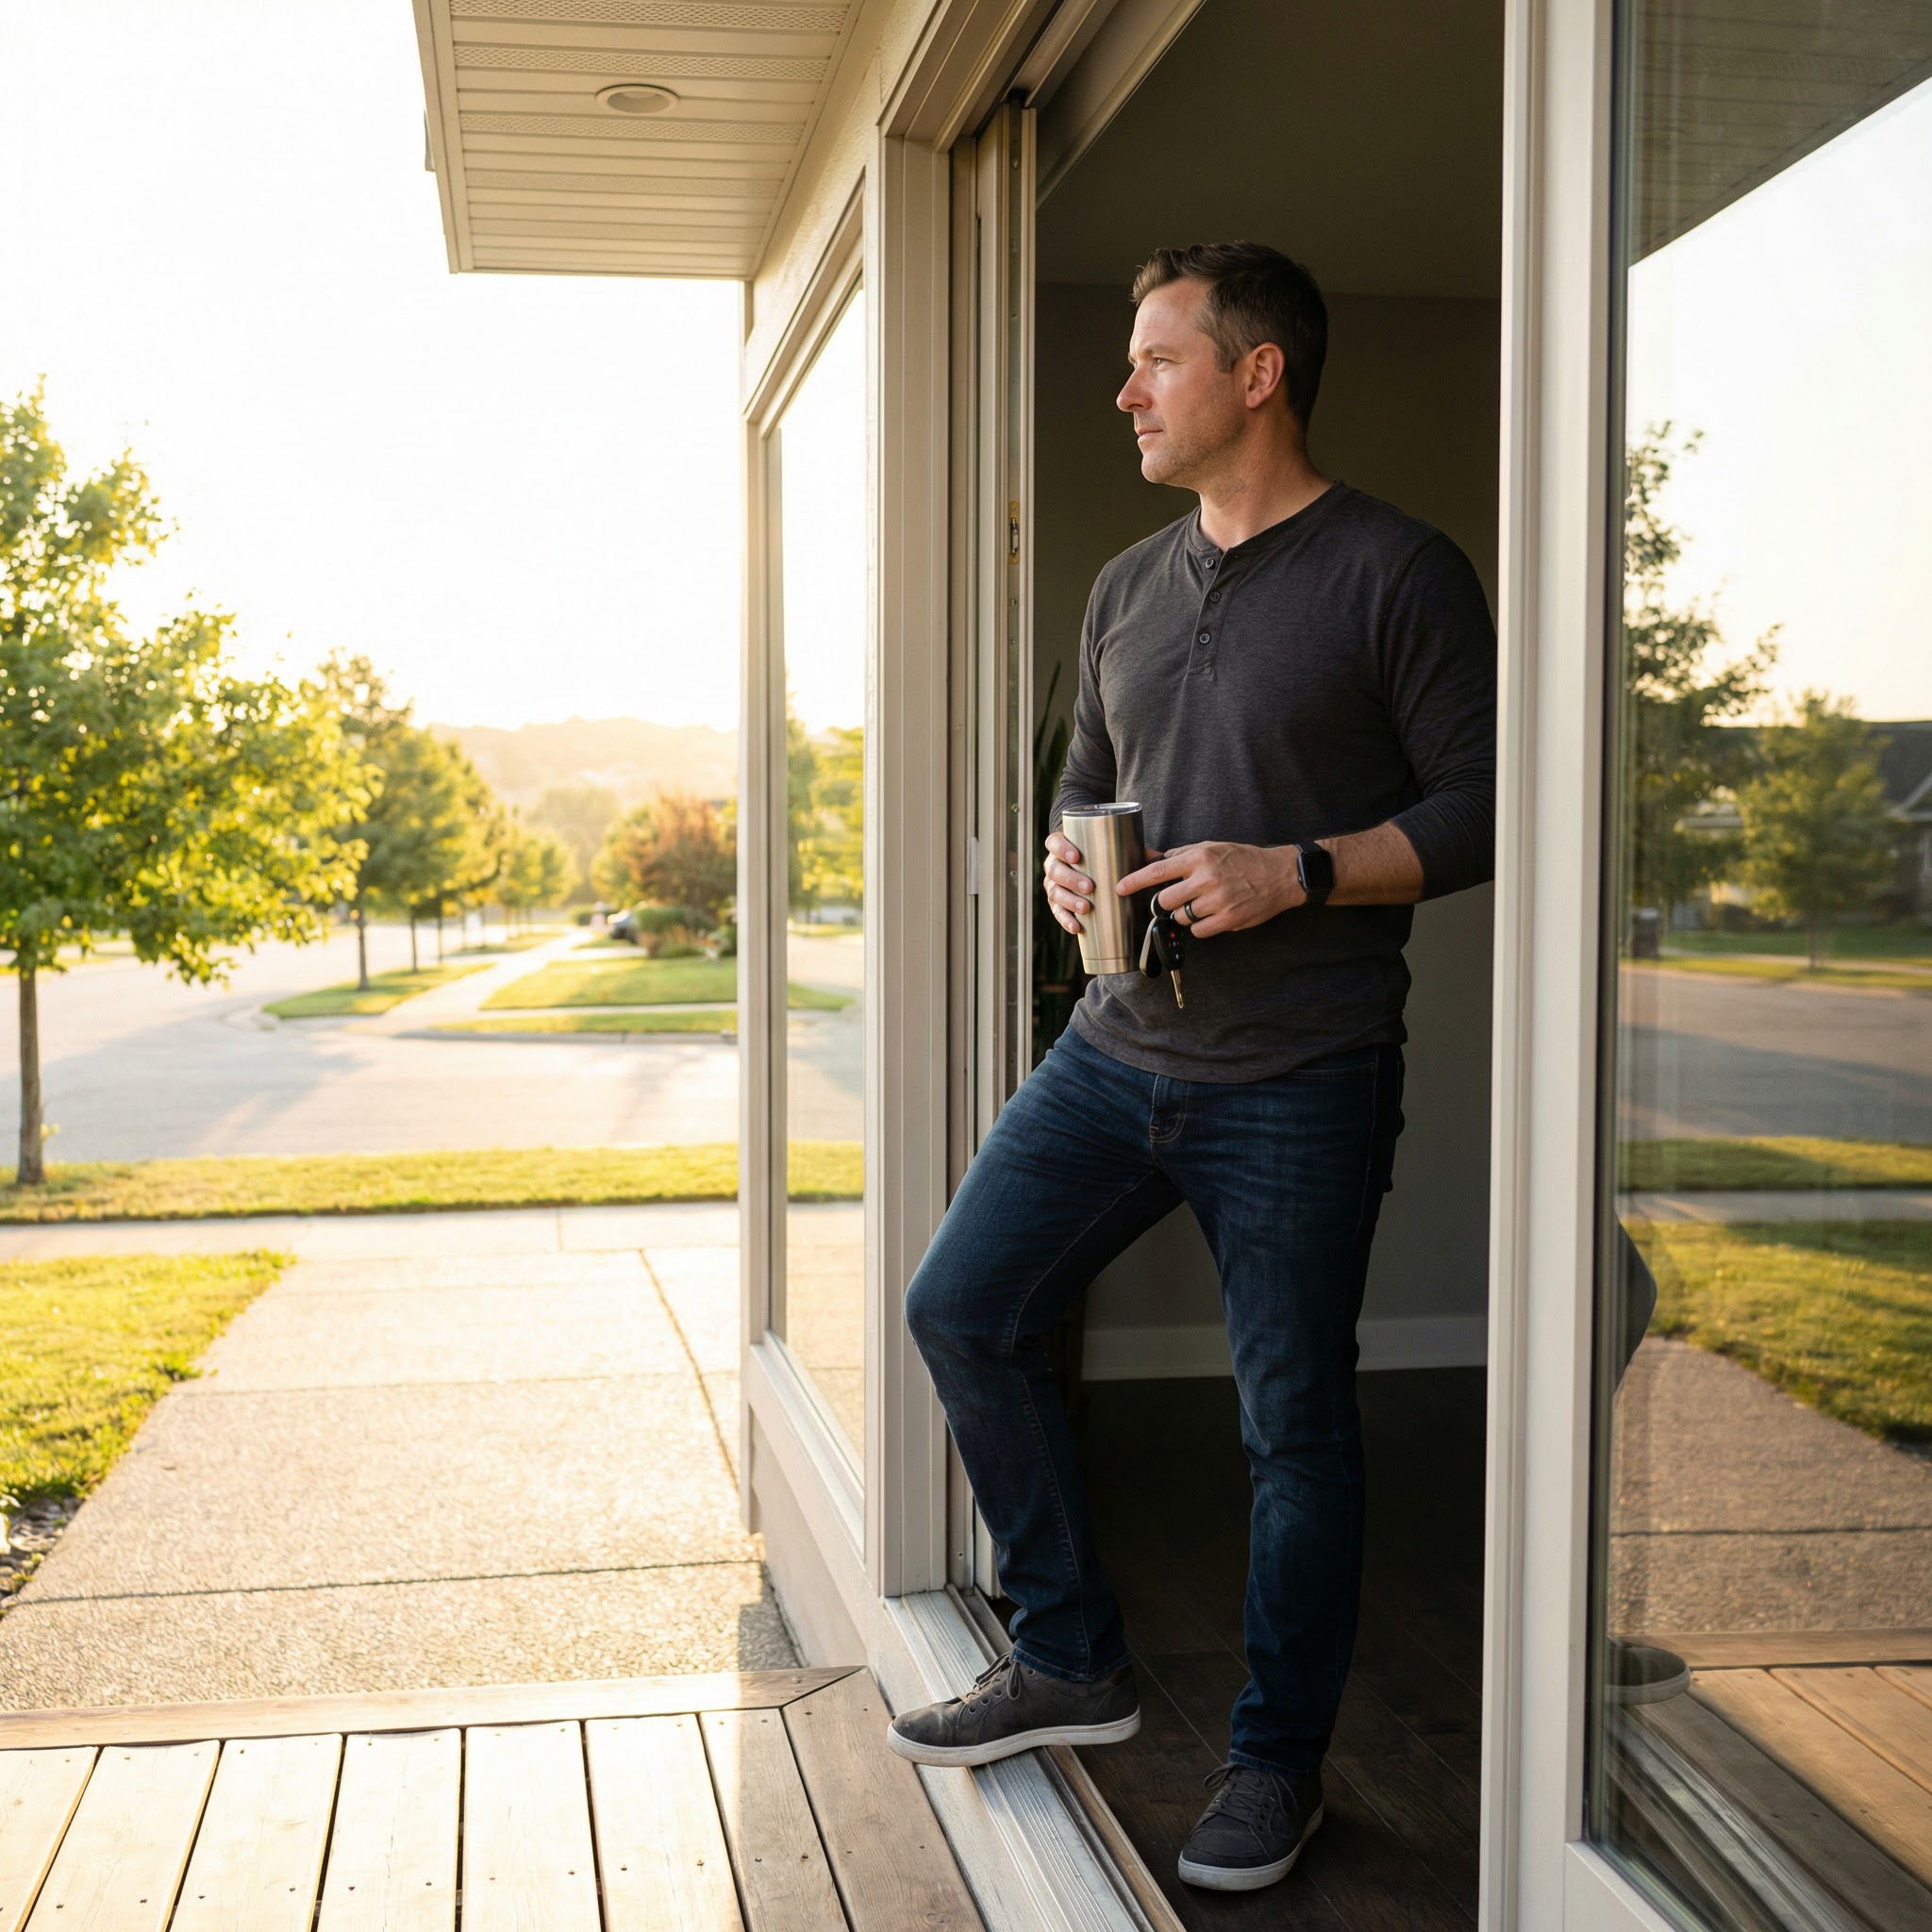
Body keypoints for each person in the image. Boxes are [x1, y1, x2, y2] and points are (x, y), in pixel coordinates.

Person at [887, 241, 1497, 1894]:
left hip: (1300, 1076)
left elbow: (1483, 808)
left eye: (1156, 360)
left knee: (1291, 1429)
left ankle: (1277, 1765)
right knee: (962, 1306)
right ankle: (1069, 1657)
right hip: (1111, 1052)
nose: (1125, 390)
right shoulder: (1126, 585)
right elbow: (1087, 784)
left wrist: (1290, 871)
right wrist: (1064, 873)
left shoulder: (1398, 571)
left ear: (1257, 374)